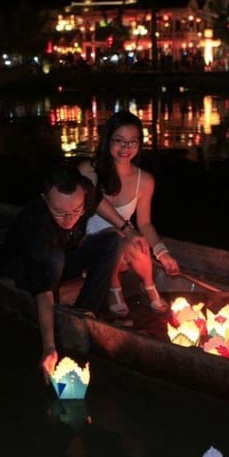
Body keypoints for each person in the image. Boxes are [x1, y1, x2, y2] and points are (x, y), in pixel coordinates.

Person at [0, 163, 144, 375]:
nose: (70, 219)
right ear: (45, 199)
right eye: (59, 212)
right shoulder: (35, 224)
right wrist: (49, 347)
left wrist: (127, 230)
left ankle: (84, 311)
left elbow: (98, 201)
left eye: (76, 211)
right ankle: (63, 319)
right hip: (25, 269)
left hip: (64, 255)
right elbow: (43, 292)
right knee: (55, 259)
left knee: (112, 240)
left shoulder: (85, 191)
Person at [77, 110, 180, 318]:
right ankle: (115, 290)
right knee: (116, 239)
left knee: (137, 241)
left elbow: (145, 223)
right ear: (108, 141)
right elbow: (95, 201)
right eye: (119, 141)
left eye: (133, 141)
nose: (126, 148)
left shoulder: (145, 180)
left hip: (122, 242)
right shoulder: (88, 170)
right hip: (85, 244)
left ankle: (149, 287)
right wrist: (127, 231)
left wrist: (161, 252)